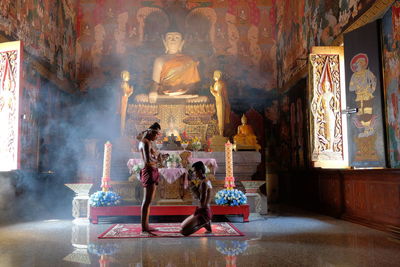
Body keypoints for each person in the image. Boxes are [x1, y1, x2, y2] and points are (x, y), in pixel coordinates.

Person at [149, 29, 200, 102]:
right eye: (169, 38)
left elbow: (193, 84)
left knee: (201, 100)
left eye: (177, 38)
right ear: (165, 42)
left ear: (182, 42)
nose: (173, 40)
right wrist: (153, 91)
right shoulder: (160, 60)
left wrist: (190, 92)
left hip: (185, 95)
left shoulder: (189, 61)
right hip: (164, 96)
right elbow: (155, 83)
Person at [138, 122, 168, 233]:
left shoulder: (148, 142)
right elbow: (147, 161)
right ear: (151, 132)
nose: (156, 137)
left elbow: (152, 157)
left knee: (149, 201)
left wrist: (160, 158)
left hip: (153, 170)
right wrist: (159, 161)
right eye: (156, 135)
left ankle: (146, 225)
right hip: (149, 171)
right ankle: (144, 227)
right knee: (147, 200)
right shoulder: (145, 142)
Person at [181, 161, 213, 236]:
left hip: (204, 213)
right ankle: (205, 224)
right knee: (182, 226)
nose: (194, 173)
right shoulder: (204, 181)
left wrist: (193, 188)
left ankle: (204, 223)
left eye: (195, 171)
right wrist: (193, 186)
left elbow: (202, 202)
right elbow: (199, 197)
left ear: (200, 171)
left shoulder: (204, 183)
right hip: (201, 210)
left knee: (184, 232)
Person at [210, 70, 230, 136]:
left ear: (218, 76)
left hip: (220, 101)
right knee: (220, 117)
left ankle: (221, 133)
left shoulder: (218, 83)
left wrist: (212, 91)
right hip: (220, 101)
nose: (213, 78)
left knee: (221, 117)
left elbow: (218, 94)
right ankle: (221, 132)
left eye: (214, 76)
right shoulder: (222, 83)